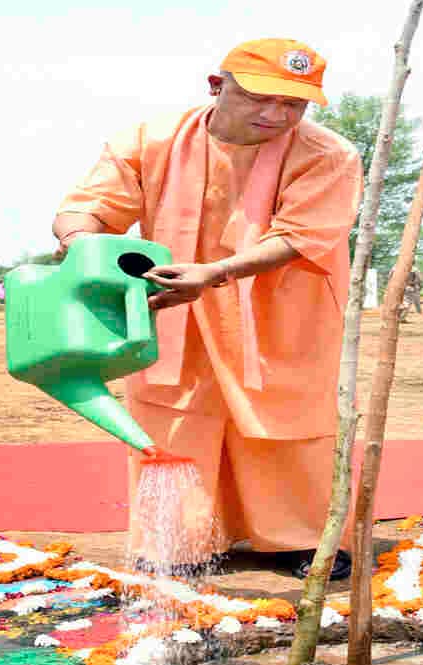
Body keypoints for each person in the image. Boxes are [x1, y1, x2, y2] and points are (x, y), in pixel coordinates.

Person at [51, 38, 362, 580]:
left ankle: (302, 538)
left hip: (283, 311)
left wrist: (215, 273)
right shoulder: (149, 141)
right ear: (218, 87)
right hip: (170, 305)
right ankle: (180, 540)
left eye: (294, 104)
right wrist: (83, 244)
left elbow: (304, 234)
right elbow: (89, 208)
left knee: (287, 418)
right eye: (261, 98)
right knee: (173, 417)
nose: (277, 114)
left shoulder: (329, 154)